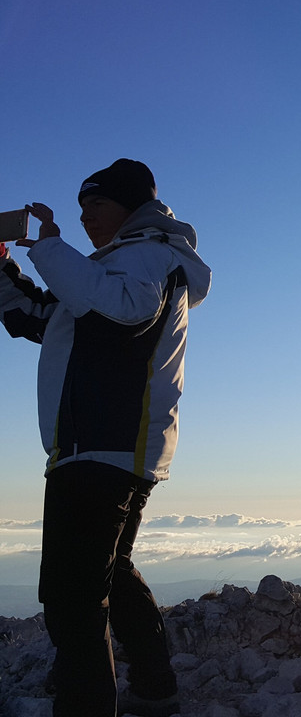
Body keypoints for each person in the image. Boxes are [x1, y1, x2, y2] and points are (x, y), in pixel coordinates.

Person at [0, 159, 212, 717]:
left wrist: (49, 249)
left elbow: (120, 317)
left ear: (130, 205)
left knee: (71, 598)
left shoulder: (149, 255)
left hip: (104, 443)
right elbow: (44, 318)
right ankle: (154, 688)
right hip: (102, 445)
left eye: (96, 204)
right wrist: (5, 269)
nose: (85, 216)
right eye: (80, 208)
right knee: (108, 573)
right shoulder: (113, 266)